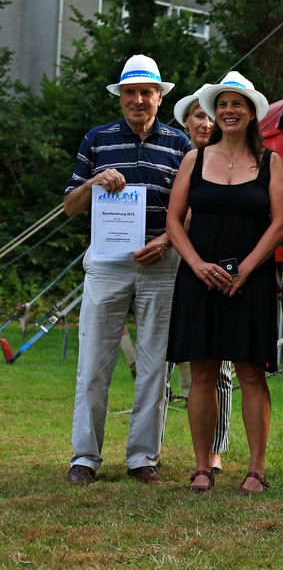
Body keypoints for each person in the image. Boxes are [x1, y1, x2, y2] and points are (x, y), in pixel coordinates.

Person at [64, 54, 189, 486]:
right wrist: (92, 184)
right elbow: (69, 206)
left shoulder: (179, 144)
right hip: (107, 262)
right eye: (130, 93)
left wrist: (168, 240)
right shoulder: (96, 139)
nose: (138, 100)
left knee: (156, 364)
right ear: (120, 97)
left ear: (159, 97)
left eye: (146, 93)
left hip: (160, 261)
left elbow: (193, 209)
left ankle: (142, 458)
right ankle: (85, 457)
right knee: (94, 362)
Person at [165, 71, 283, 494]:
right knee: (202, 374)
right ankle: (203, 467)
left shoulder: (271, 162)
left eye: (237, 104)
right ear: (214, 112)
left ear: (252, 112)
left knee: (251, 374)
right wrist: (198, 265)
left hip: (249, 280)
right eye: (222, 104)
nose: (228, 110)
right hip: (199, 278)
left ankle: (256, 470)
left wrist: (248, 270)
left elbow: (279, 224)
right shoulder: (194, 159)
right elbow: (173, 221)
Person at [170, 83, 234, 475]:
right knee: (178, 366)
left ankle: (216, 449)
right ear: (187, 121)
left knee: (222, 370)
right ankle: (151, 452)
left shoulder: (235, 159)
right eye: (199, 115)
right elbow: (176, 215)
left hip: (225, 268)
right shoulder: (182, 158)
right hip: (185, 267)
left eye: (211, 116)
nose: (206, 122)